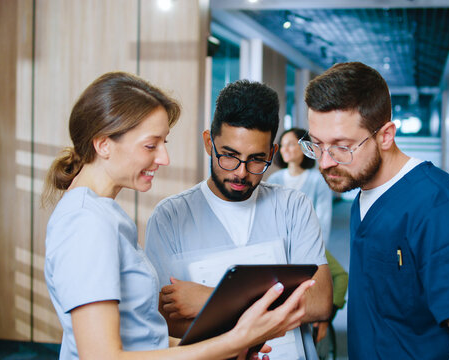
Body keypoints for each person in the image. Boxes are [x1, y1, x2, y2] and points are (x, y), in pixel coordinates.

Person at [42, 72, 315, 360]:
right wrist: (233, 341)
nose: (163, 158)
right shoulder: (86, 223)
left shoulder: (104, 214)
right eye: (151, 145)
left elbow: (143, 340)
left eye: (164, 144)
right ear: (103, 144)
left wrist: (230, 348)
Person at [303, 62, 449, 359]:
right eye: (317, 145)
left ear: (385, 135)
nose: (324, 162)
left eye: (341, 147)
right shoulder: (364, 193)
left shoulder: (446, 210)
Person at [145, 80, 333, 360]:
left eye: (257, 160)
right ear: (209, 143)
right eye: (230, 156)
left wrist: (208, 299)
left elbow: (319, 302)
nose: (241, 173)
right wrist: (276, 311)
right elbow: (164, 319)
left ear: (272, 153)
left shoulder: (293, 206)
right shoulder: (170, 216)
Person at [267, 128, 348, 350]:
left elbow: (324, 218)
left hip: (309, 244)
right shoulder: (274, 179)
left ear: (304, 149)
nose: (286, 149)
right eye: (283, 145)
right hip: (279, 245)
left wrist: (316, 248)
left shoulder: (316, 180)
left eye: (292, 144)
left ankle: (321, 320)